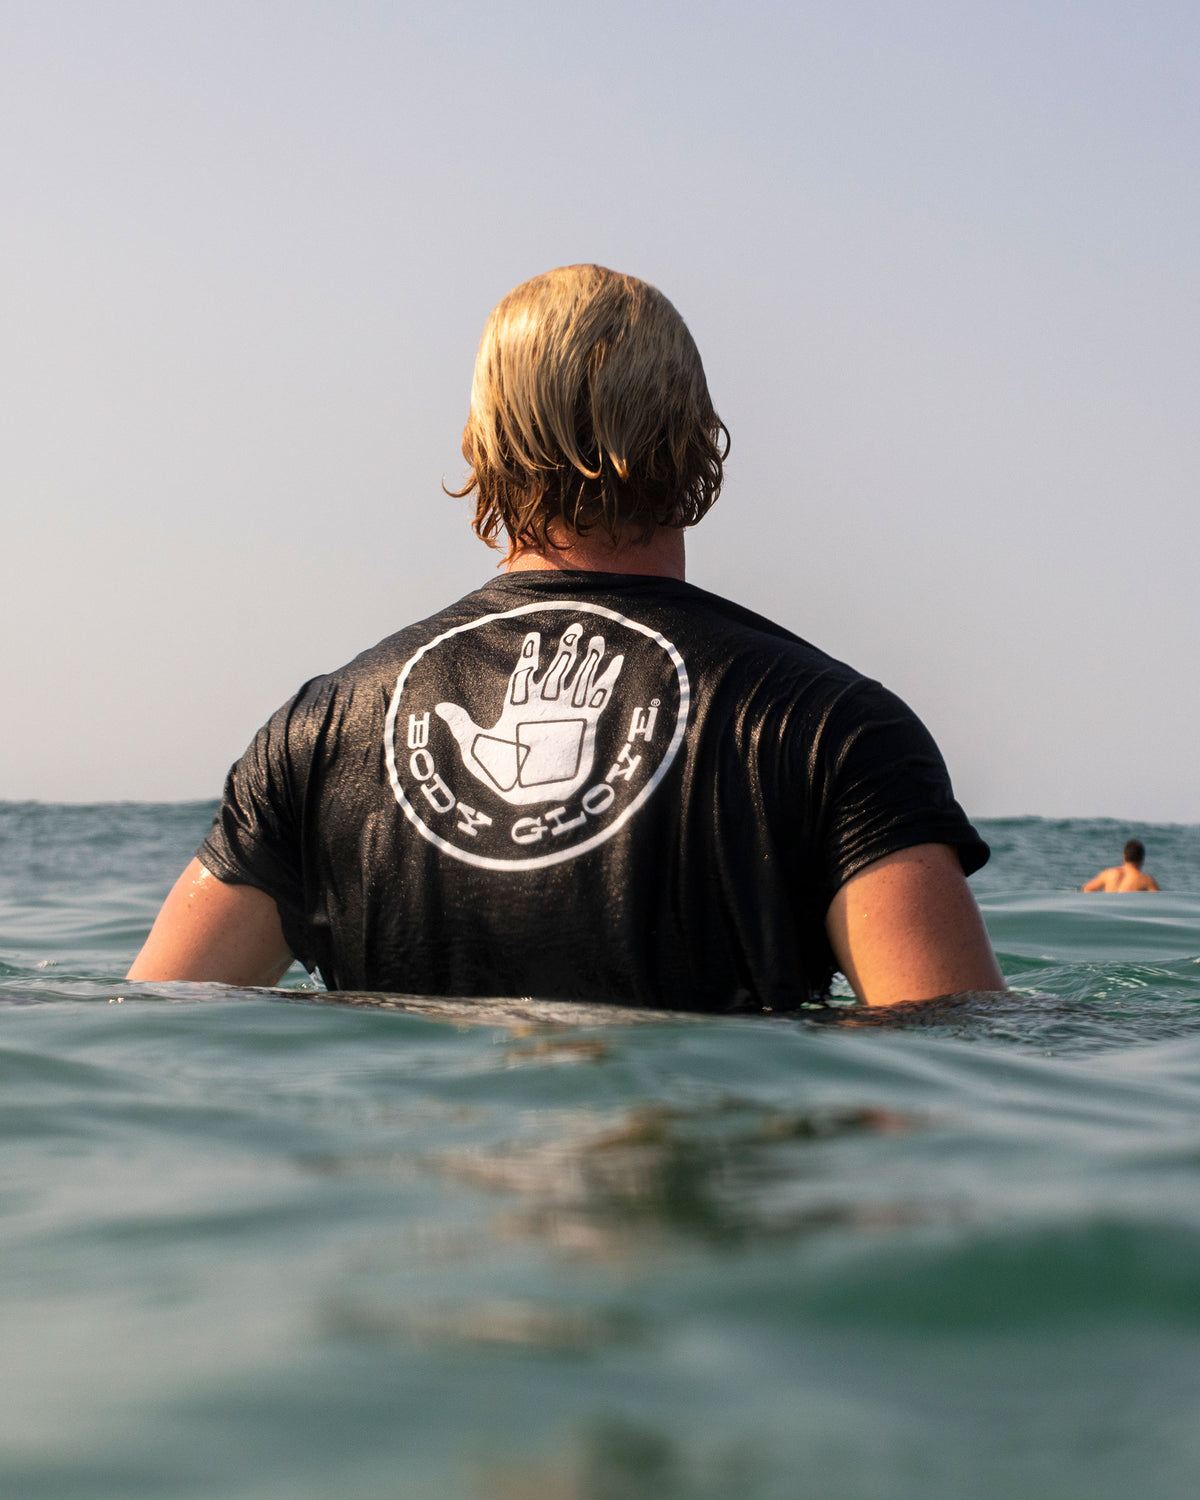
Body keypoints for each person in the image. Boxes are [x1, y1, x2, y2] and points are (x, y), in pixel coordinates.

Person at [129, 264, 1003, 1010]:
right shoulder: (830, 729)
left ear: (481, 444)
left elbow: (147, 1037)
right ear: (701, 438)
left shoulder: (320, 737)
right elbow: (953, 1078)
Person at [1082, 839, 1160, 892]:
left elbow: (1087, 889)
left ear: (1124, 857)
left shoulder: (1108, 874)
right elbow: (1159, 903)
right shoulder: (1146, 881)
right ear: (1142, 859)